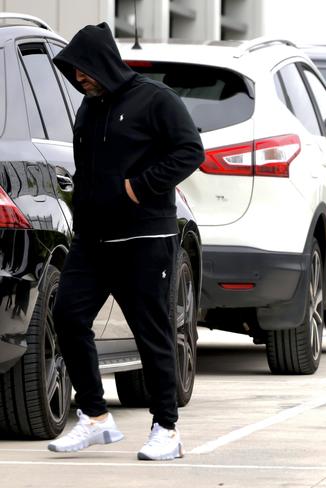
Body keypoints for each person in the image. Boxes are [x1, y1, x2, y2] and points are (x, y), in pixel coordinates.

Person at [47, 23, 204, 459]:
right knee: (67, 316)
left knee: (151, 333)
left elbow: (190, 150)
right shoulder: (89, 107)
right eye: (73, 71)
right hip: (92, 240)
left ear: (104, 62)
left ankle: (167, 429)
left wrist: (141, 186)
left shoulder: (155, 100)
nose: (79, 78)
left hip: (144, 237)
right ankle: (95, 416)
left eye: (84, 69)